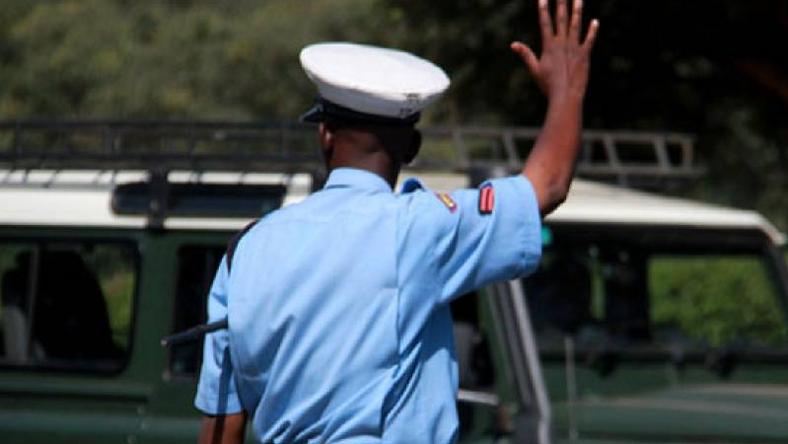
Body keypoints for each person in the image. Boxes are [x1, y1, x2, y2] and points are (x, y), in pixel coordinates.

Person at [196, 0, 598, 442]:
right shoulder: (420, 229)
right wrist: (566, 92)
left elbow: (221, 425)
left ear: (325, 135)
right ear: (411, 148)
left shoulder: (246, 250)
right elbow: (549, 184)